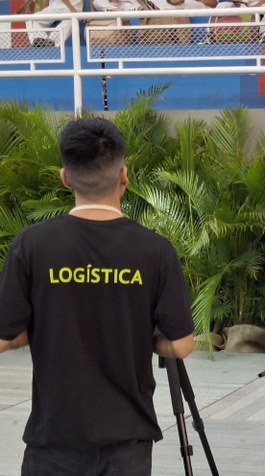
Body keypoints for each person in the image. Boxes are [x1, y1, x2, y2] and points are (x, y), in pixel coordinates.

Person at [0, 117, 195, 474]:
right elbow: (181, 346)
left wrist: (45, 328)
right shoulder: (155, 251)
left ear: (65, 177)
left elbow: (4, 337)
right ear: (124, 174)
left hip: (53, 441)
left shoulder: (32, 245)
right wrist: (140, 334)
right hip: (127, 443)